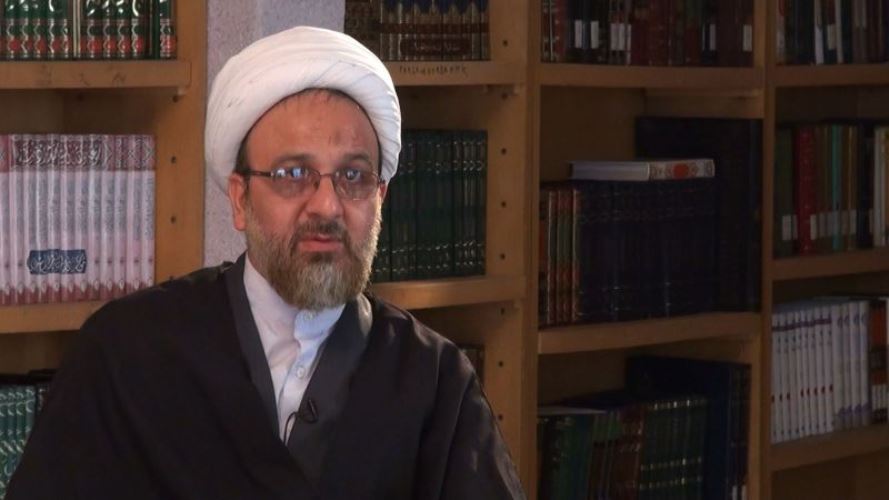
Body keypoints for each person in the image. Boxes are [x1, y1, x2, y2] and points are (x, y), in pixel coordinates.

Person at [7, 26, 525, 500]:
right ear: (240, 199)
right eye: (293, 174)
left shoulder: (435, 382)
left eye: (353, 177)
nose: (327, 206)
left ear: (380, 198)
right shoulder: (126, 353)